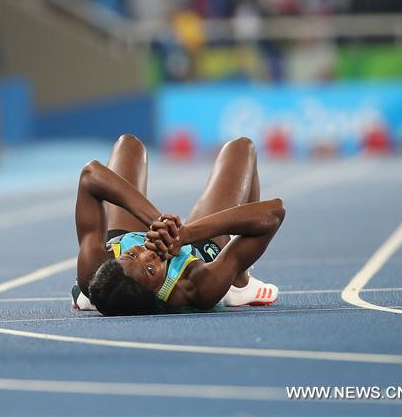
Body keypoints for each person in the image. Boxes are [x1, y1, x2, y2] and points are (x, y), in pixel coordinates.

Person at [73, 135, 284, 315]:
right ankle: (240, 282)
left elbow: (90, 175)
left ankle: (100, 298)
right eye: (150, 270)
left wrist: (159, 222)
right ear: (156, 295)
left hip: (118, 262)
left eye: (131, 255)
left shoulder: (93, 268)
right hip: (199, 254)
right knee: (241, 148)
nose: (148, 252)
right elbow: (274, 213)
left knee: (128, 144)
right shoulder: (196, 286)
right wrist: (184, 235)